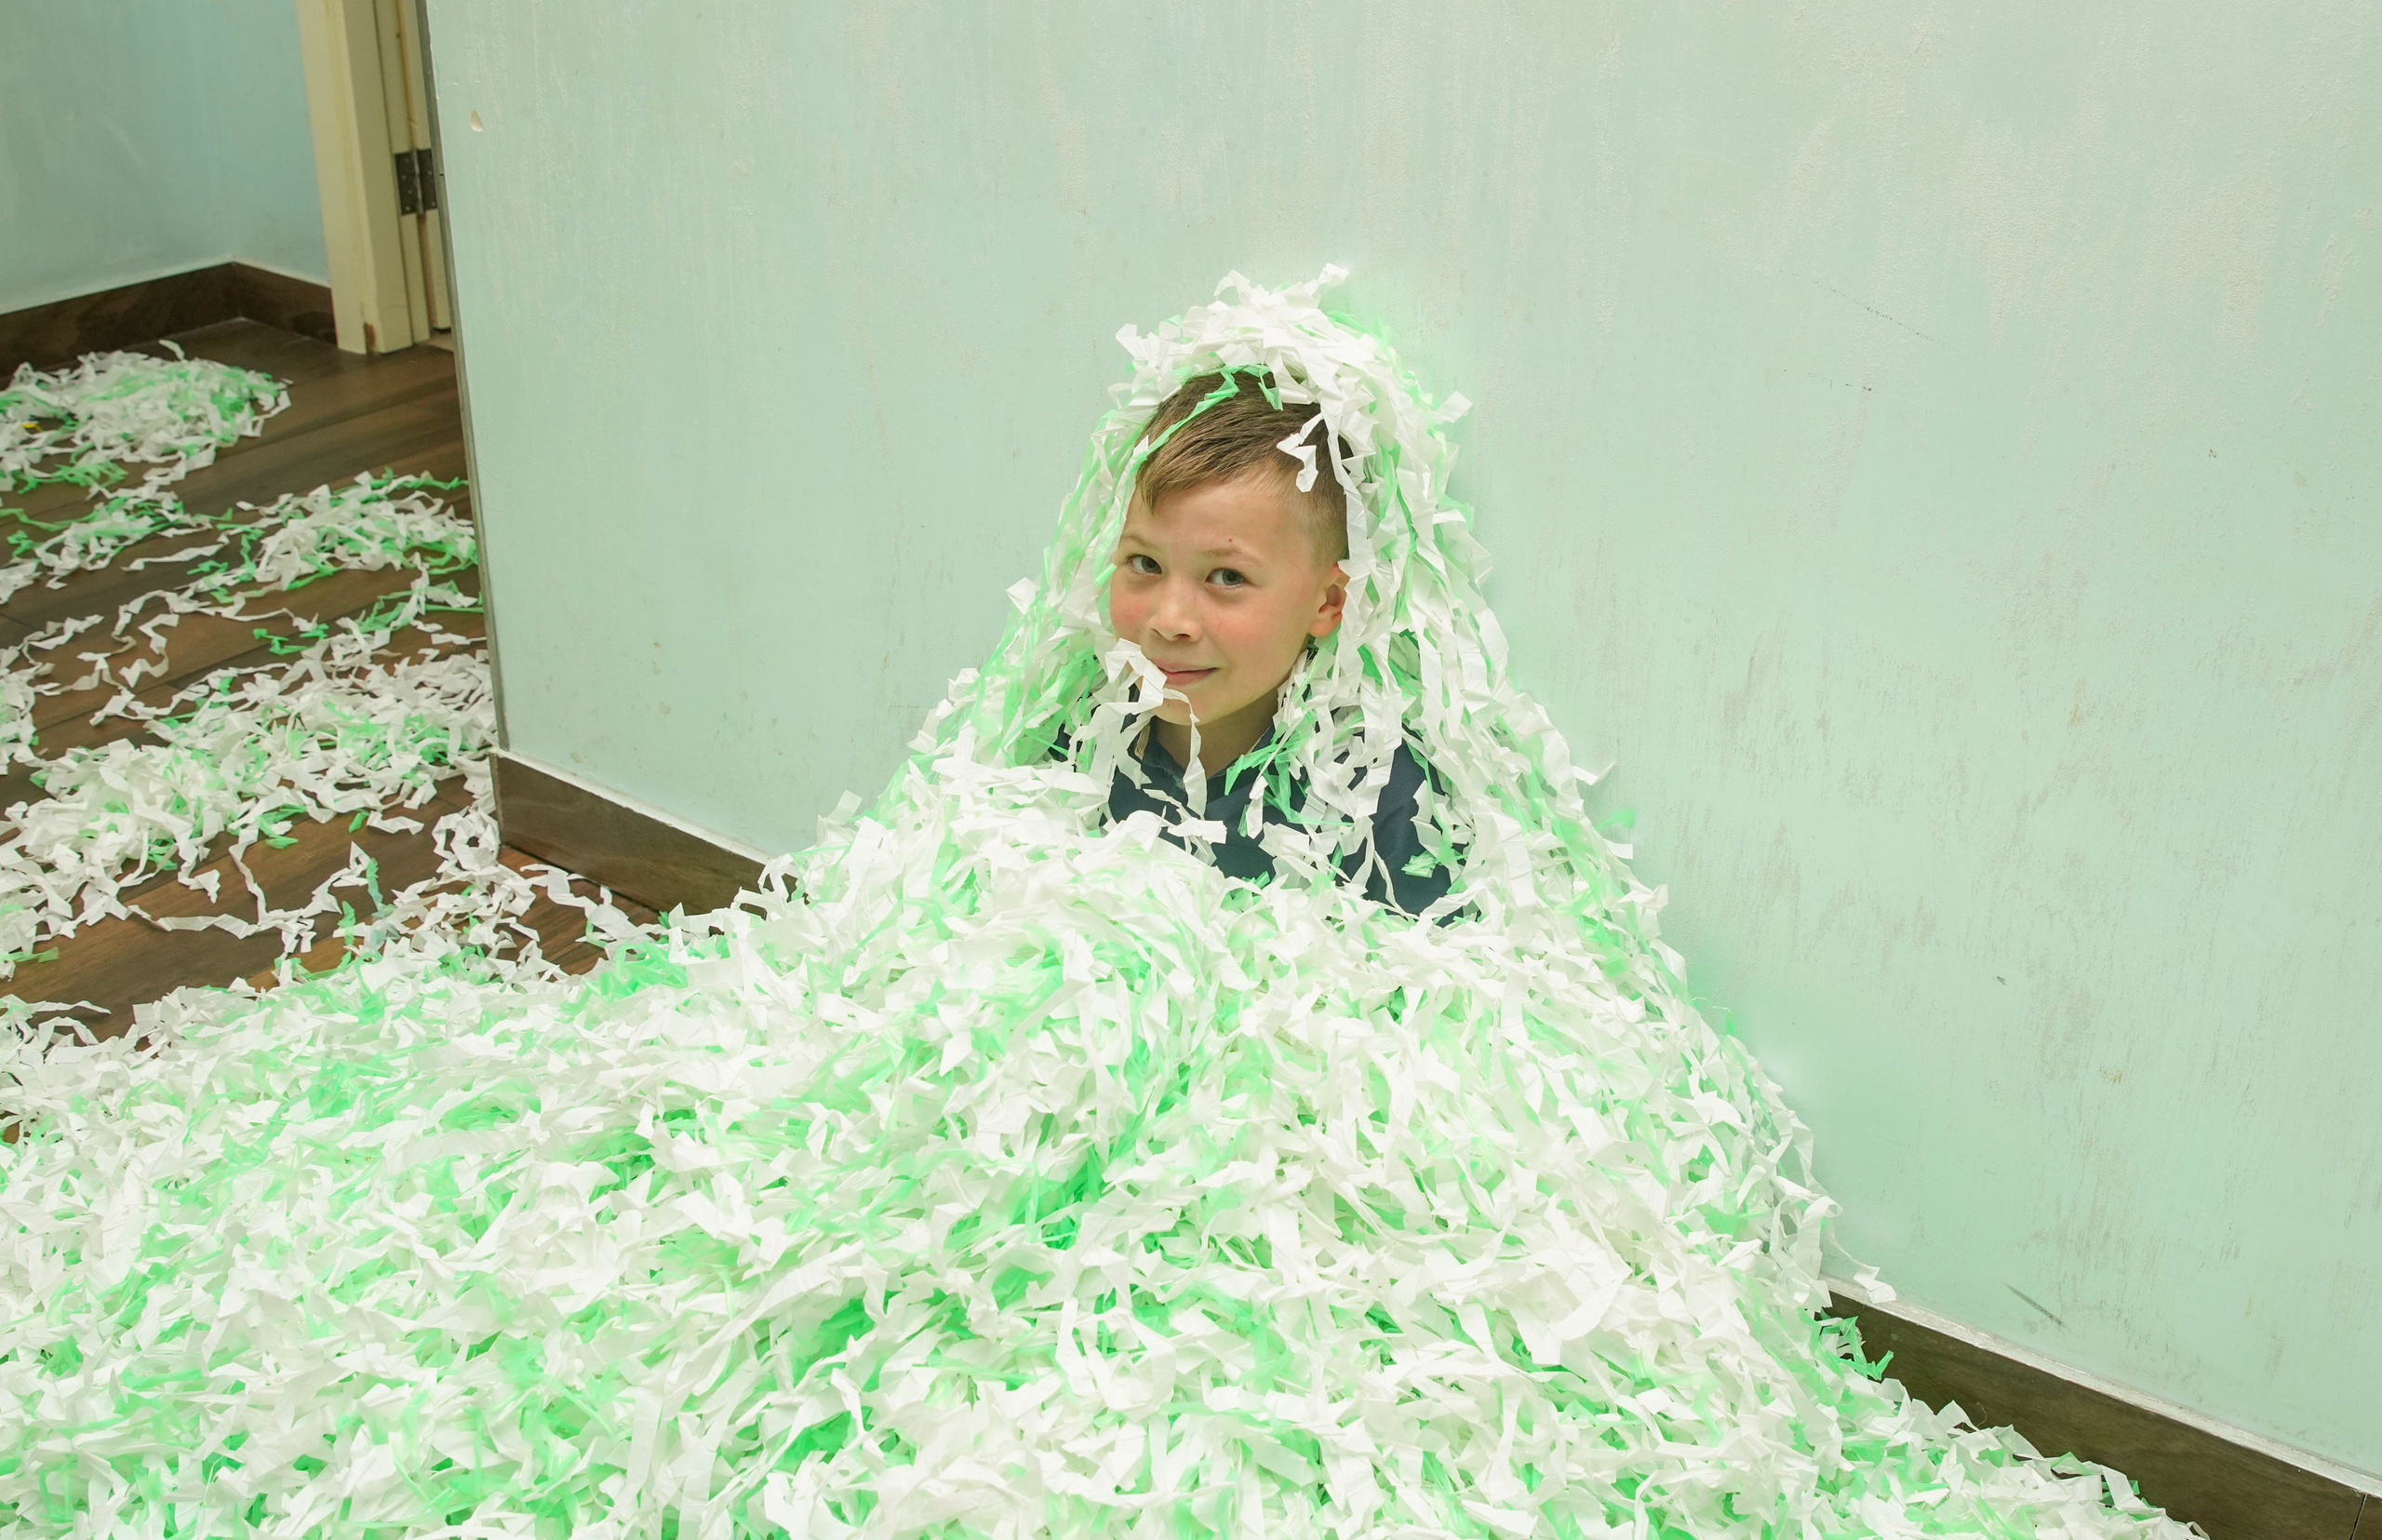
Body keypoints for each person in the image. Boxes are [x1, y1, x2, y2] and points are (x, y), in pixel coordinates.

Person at [1080, 368, 1461, 917]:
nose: (1170, 621)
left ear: (1328, 603)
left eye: (1228, 577)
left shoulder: (1384, 805)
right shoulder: (1076, 751)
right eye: (1145, 564)